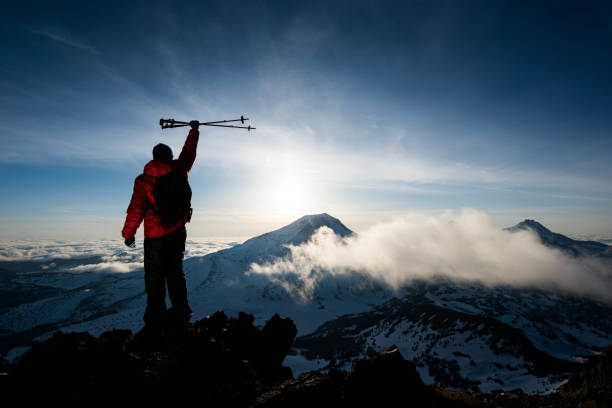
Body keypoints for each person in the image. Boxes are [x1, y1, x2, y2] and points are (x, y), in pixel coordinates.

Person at [121, 120, 200, 330]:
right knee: (176, 272)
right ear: (170, 156)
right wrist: (194, 131)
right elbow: (189, 152)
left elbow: (136, 209)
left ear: (154, 157)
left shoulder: (144, 179)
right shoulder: (180, 169)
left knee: (155, 277)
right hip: (177, 230)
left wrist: (128, 234)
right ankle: (181, 312)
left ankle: (155, 319)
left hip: (154, 236)